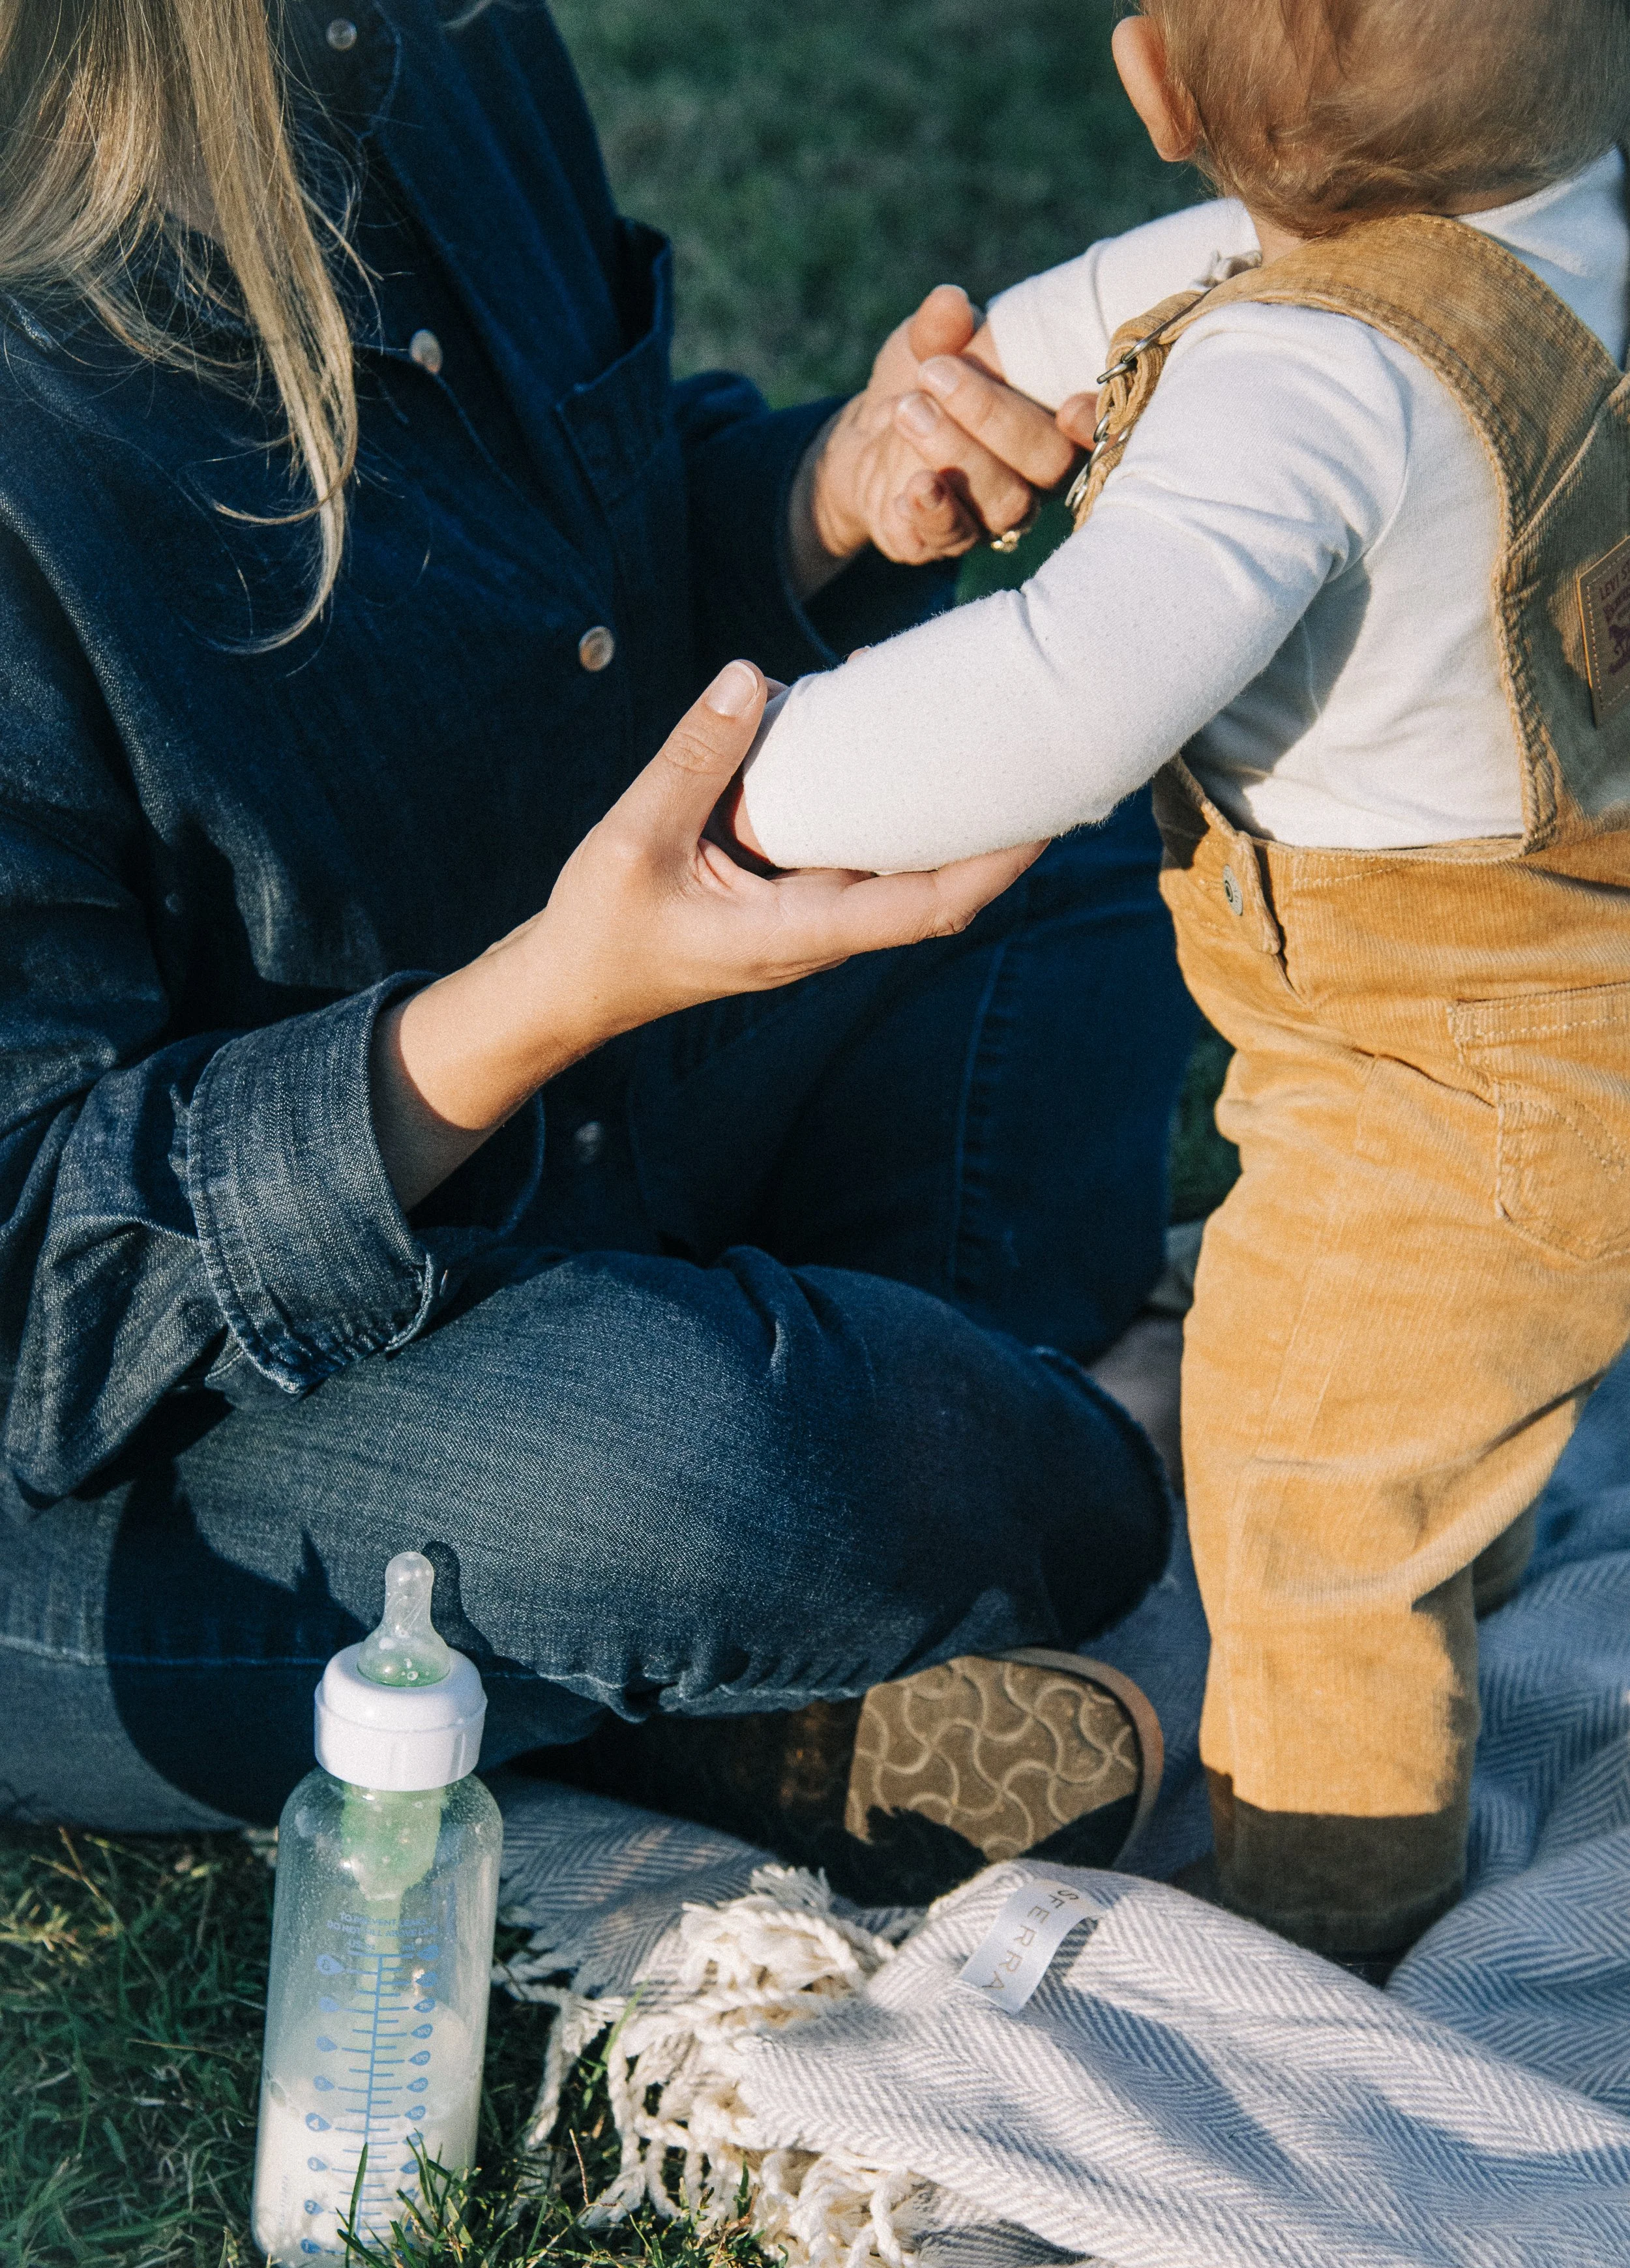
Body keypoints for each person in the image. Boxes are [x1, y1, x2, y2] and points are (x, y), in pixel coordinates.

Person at [0, 0, 1195, 1857]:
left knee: (1039, 812)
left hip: (559, 1096)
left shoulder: (432, 45)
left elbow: (571, 547)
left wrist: (823, 498)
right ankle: (1105, 1444)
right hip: (128, 1454)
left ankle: (721, 1648)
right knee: (708, 1459)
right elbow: (38, 1299)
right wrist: (540, 1004)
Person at [737, 0, 1630, 1972]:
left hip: (1442, 1068)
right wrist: (980, 393)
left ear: (1150, 87)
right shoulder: (1555, 206)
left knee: (1309, 1481)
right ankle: (1446, 1552)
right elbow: (1148, 294)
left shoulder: (1308, 386)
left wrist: (772, 770)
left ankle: (1328, 1923)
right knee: (1411, 1395)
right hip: (1556, 997)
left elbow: (1060, 691)